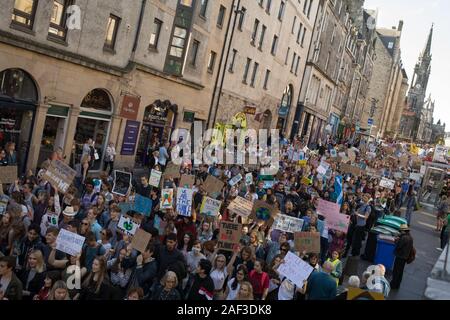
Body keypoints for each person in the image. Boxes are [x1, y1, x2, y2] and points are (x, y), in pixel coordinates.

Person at [390, 224, 414, 290]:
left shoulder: (404, 238)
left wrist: (396, 240)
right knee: (400, 272)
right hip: (405, 257)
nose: (400, 232)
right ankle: (397, 285)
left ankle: (393, 284)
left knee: (396, 271)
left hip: (400, 256)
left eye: (400, 231)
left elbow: (398, 246)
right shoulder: (410, 237)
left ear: (403, 231)